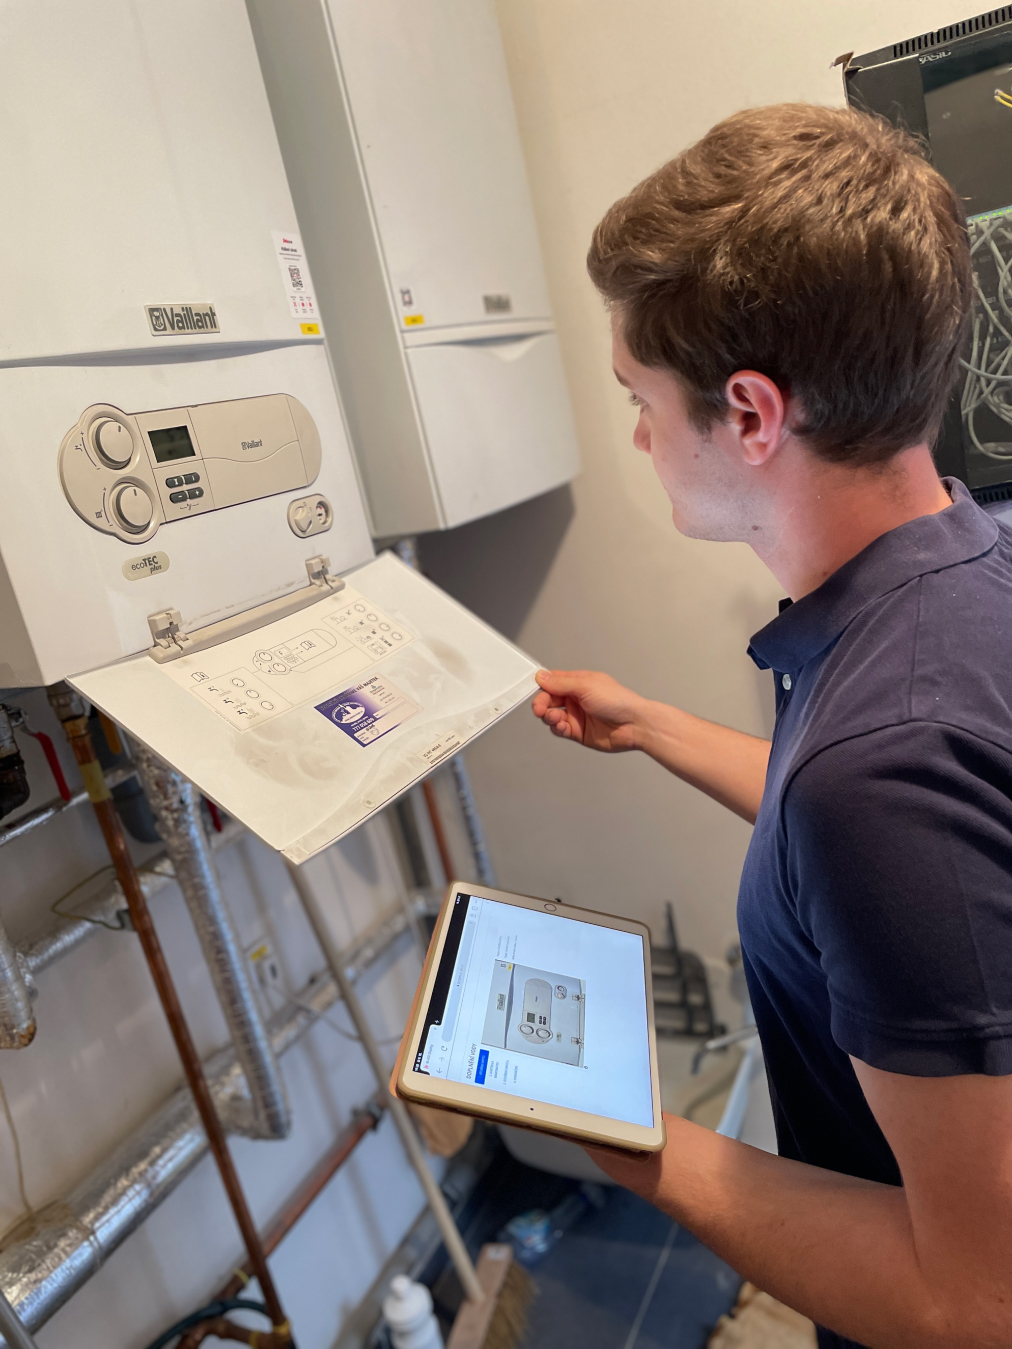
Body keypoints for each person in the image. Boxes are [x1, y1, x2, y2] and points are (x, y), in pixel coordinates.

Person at [532, 104, 1012, 1349]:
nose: (640, 435)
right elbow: (911, 851)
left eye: (641, 397)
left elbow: (977, 1301)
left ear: (748, 414)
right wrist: (655, 726)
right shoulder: (965, 568)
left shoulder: (878, 769)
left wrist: (633, 1138)